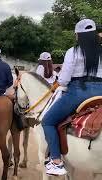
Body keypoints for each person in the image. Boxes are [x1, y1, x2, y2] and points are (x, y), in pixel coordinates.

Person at [42, 19, 102, 176]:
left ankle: (55, 161)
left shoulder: (73, 52)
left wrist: (60, 82)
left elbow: (63, 80)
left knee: (47, 121)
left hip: (79, 92)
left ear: (78, 35)